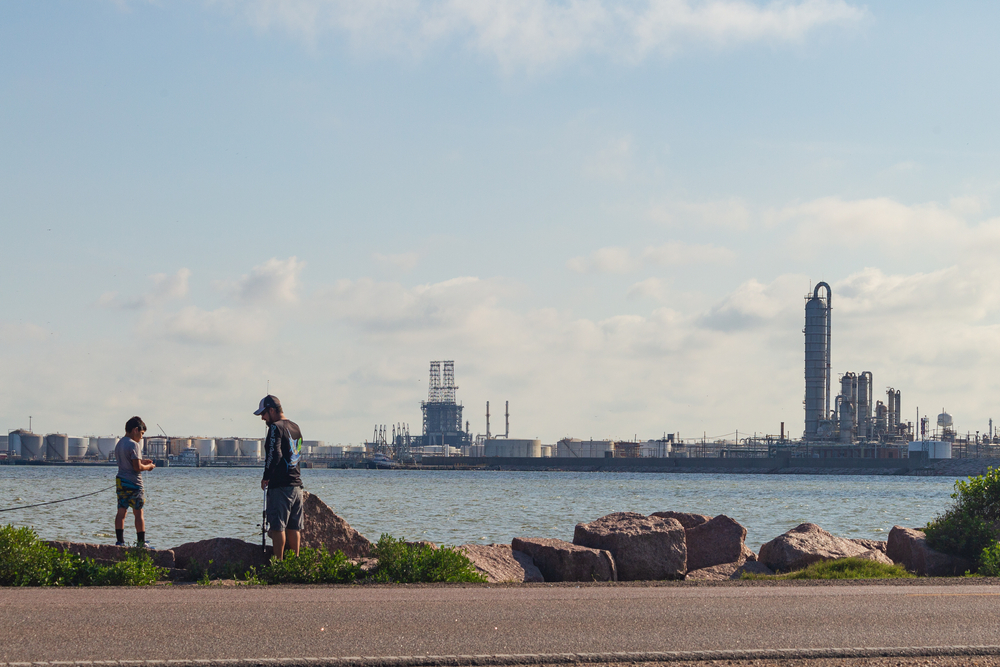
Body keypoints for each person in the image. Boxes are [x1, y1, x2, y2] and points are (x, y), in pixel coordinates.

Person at [255, 394, 304, 560]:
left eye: (263, 414)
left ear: (271, 410)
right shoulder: (296, 427)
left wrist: (266, 476)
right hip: (297, 486)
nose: (262, 418)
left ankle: (278, 565)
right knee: (294, 528)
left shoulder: (275, 428)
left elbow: (275, 454)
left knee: (277, 528)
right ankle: (295, 564)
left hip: (280, 487)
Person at [114, 416, 155, 547]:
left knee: (121, 512)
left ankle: (120, 542)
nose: (142, 437)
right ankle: (141, 543)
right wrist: (148, 467)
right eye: (142, 434)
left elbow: (129, 463)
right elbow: (137, 468)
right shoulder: (134, 444)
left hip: (121, 482)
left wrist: (143, 461)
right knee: (138, 513)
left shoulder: (119, 444)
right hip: (134, 484)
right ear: (135, 430)